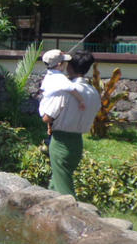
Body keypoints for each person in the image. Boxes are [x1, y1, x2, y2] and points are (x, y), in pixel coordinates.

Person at [39, 51, 101, 197]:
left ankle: (75, 216)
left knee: (64, 191)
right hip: (77, 142)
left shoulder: (63, 90)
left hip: (61, 141)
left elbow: (48, 117)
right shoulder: (94, 92)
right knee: (56, 183)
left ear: (69, 67)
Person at [39, 49, 85, 140]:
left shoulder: (48, 76)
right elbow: (72, 89)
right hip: (52, 113)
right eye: (65, 62)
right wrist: (81, 101)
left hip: (44, 108)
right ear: (60, 64)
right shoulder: (60, 78)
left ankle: (50, 131)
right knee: (62, 98)